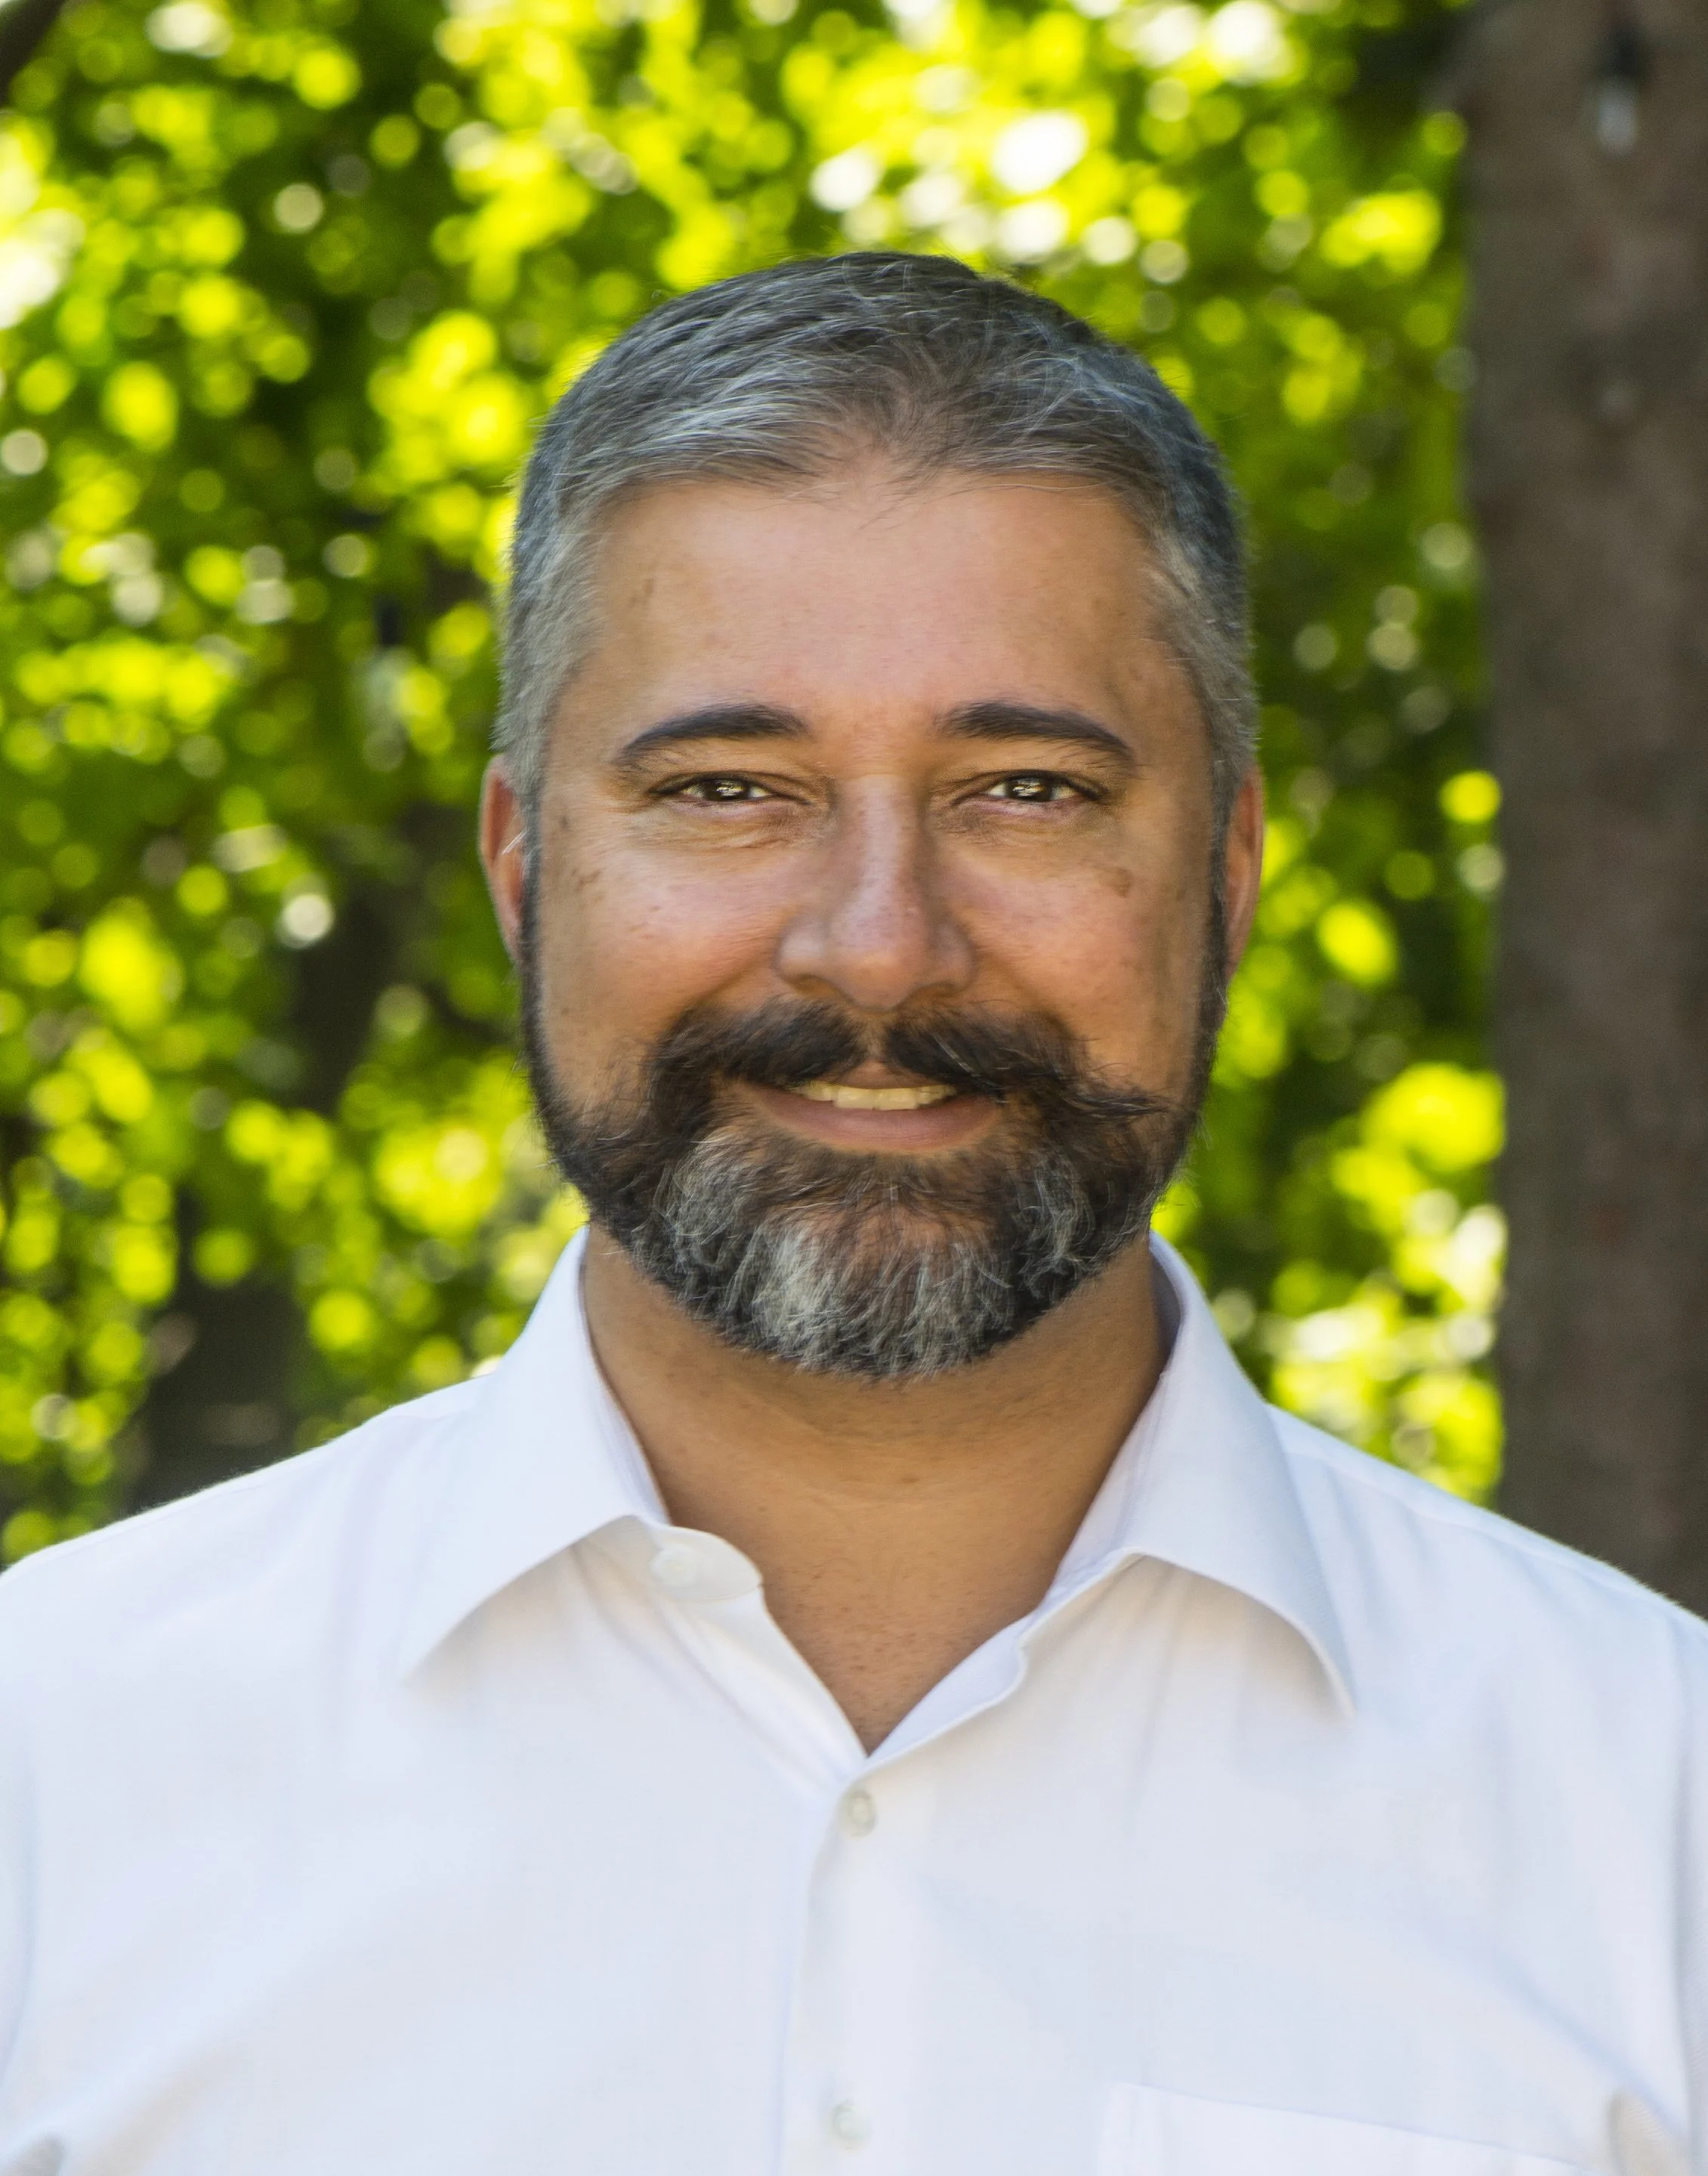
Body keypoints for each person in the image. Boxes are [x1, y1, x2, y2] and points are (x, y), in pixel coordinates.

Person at [0, 252, 1702, 2176]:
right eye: (728, 787)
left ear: (1224, 875)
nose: (879, 948)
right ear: (523, 869)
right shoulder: (50, 1775)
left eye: (1025, 790)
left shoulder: (1651, 1816)